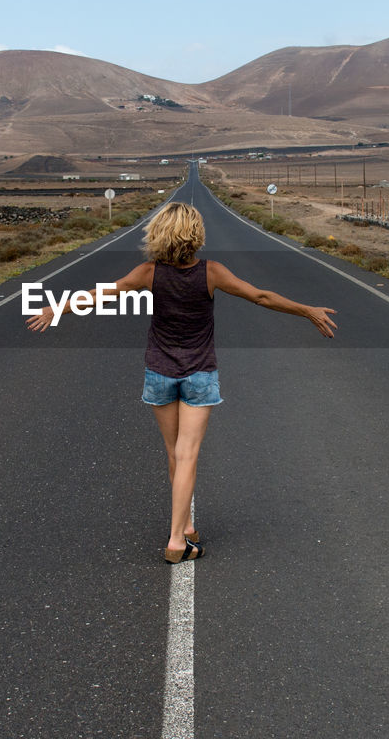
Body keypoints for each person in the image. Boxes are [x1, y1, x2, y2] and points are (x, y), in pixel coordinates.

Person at [27, 201, 336, 563]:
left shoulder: (147, 273)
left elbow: (101, 295)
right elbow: (260, 296)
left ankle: (187, 524)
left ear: (158, 234)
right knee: (187, 454)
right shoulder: (212, 272)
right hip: (199, 375)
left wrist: (56, 309)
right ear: (195, 235)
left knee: (174, 453)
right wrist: (307, 310)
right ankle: (177, 541)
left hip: (159, 373)